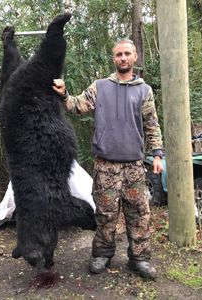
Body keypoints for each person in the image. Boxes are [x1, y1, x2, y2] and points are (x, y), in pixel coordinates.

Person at [53, 39, 163, 280]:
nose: (122, 58)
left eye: (127, 54)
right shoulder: (100, 86)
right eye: (118, 55)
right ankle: (103, 253)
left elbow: (151, 125)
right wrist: (63, 95)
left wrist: (157, 154)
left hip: (134, 165)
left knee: (139, 214)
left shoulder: (144, 90)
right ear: (114, 59)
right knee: (105, 213)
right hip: (105, 165)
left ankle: (140, 258)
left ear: (135, 57)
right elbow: (77, 105)